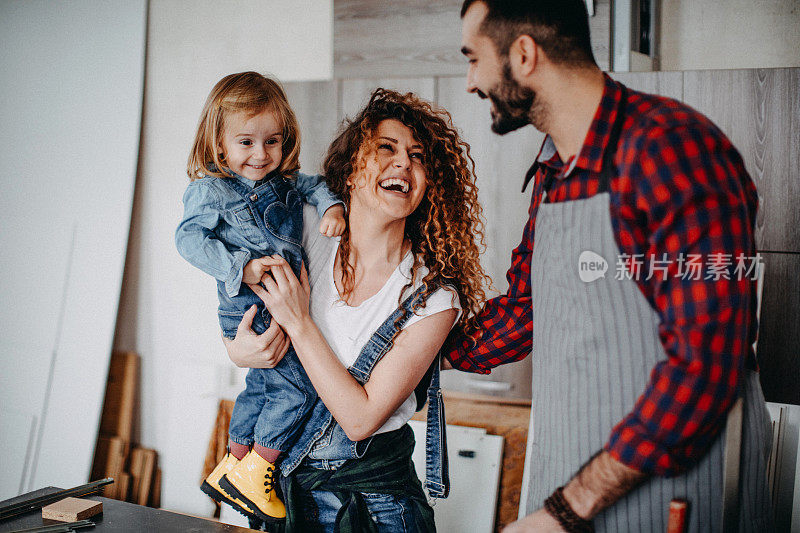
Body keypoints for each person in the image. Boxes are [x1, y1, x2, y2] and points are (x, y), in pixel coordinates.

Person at [449, 1, 773, 531]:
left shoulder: (673, 149)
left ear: (524, 54)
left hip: (673, 497)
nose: (470, 82)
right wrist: (424, 350)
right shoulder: (555, 169)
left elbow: (707, 364)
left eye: (473, 58)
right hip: (571, 481)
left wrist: (567, 509)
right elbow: (527, 312)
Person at [224, 88, 490, 532]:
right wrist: (239, 352)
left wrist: (299, 321)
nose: (403, 162)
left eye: (417, 156)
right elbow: (237, 307)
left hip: (378, 510)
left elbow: (361, 419)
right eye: (386, 148)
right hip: (283, 497)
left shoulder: (433, 297)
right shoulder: (307, 233)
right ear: (349, 172)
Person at [175, 71, 346, 523]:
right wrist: (240, 267)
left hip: (277, 304)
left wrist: (332, 207)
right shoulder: (211, 189)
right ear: (218, 143)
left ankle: (234, 460)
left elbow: (316, 184)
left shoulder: (284, 182)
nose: (260, 155)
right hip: (249, 307)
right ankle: (261, 467)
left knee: (262, 384)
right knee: (297, 387)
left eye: (272, 141)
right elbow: (188, 240)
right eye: (246, 142)